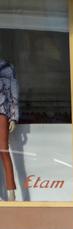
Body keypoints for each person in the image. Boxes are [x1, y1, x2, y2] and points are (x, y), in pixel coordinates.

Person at [0, 59, 18, 202]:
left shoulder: (7, 68)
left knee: (3, 151)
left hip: (2, 113)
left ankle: (11, 193)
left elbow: (14, 93)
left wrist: (13, 117)